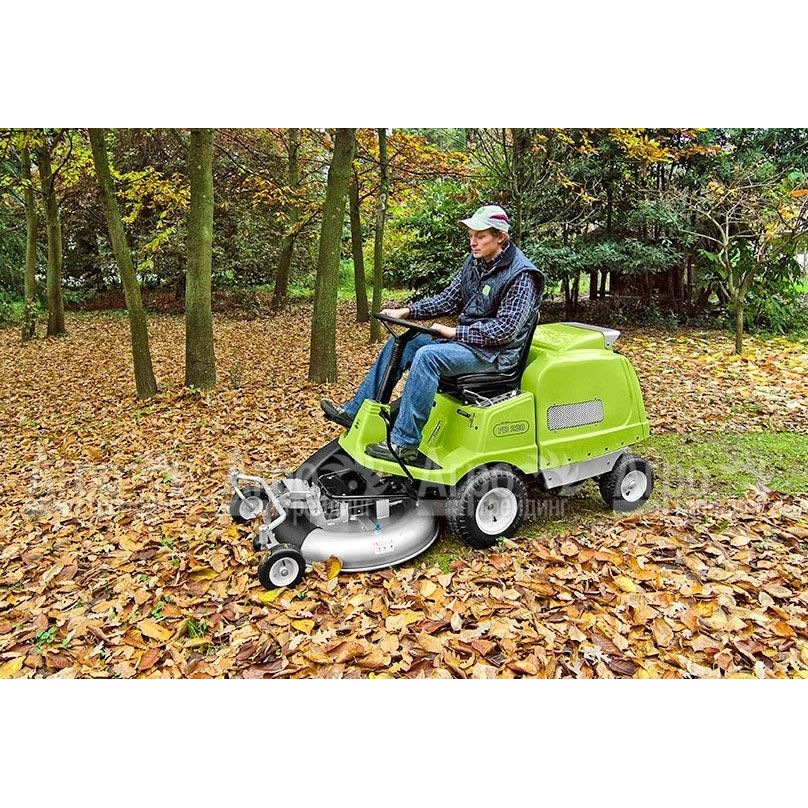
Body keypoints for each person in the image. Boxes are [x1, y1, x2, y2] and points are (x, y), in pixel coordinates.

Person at [321, 204, 544, 464]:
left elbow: (504, 330)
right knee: (404, 342)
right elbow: (448, 300)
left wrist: (455, 333)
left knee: (429, 357)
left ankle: (404, 443)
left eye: (480, 236)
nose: (472, 242)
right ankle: (355, 411)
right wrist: (406, 311)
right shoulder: (475, 264)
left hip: (495, 356)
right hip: (470, 346)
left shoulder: (522, 275)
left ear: (500, 237)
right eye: (471, 235)